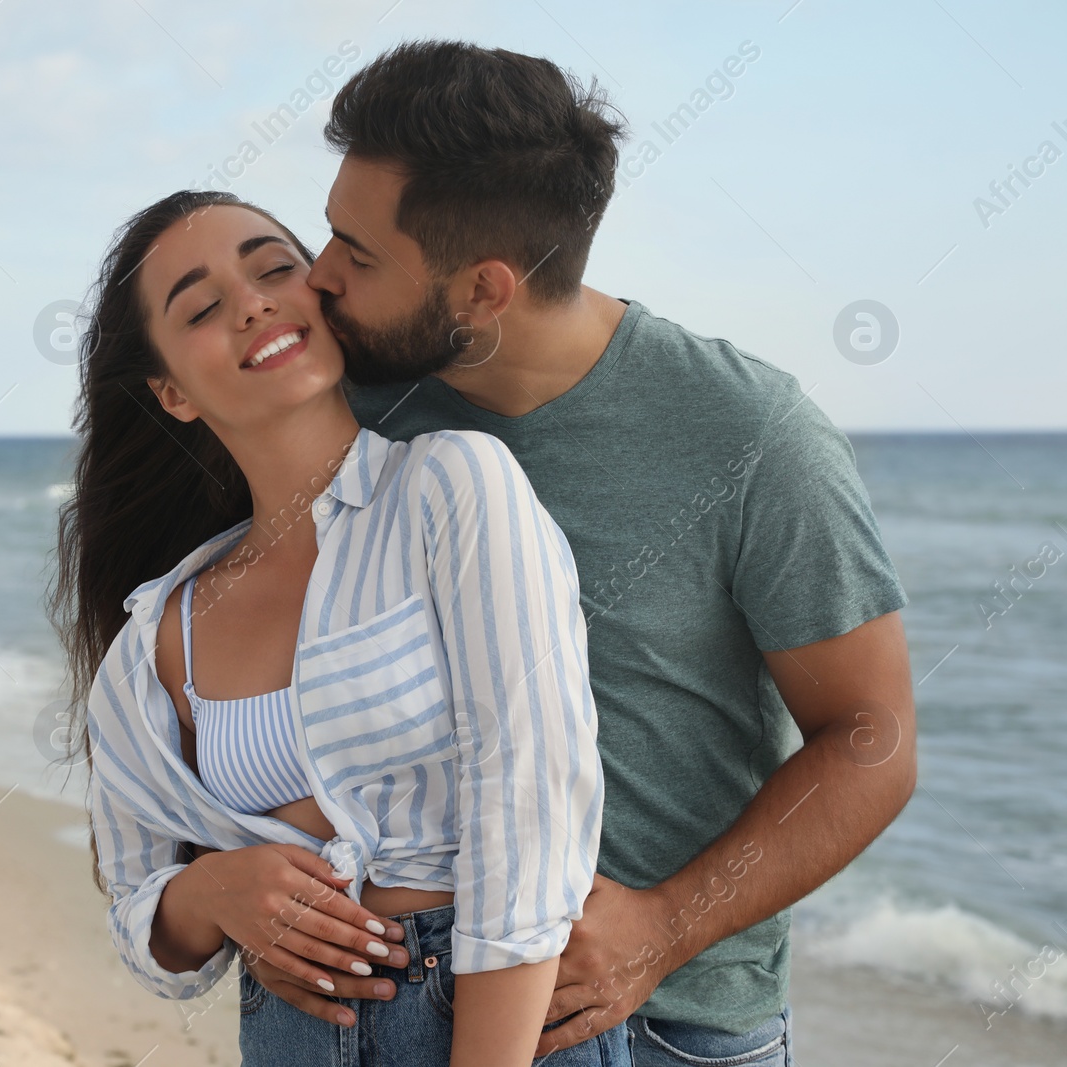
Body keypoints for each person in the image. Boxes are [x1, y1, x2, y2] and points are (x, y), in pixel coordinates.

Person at [229, 41, 918, 1067]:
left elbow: (873, 738)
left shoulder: (750, 433)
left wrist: (664, 926)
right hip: (392, 1010)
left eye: (358, 253)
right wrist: (216, 880)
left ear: (484, 289)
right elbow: (215, 656)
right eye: (330, 231)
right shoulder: (342, 411)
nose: (318, 276)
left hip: (670, 1026)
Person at [50, 188, 625, 1065]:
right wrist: (210, 892)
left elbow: (533, 793)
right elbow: (142, 920)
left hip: (493, 1017)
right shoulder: (159, 635)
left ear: (322, 293)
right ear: (171, 392)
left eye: (275, 267)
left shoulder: (451, 484)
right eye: (203, 308)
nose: (252, 302)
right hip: (291, 1035)